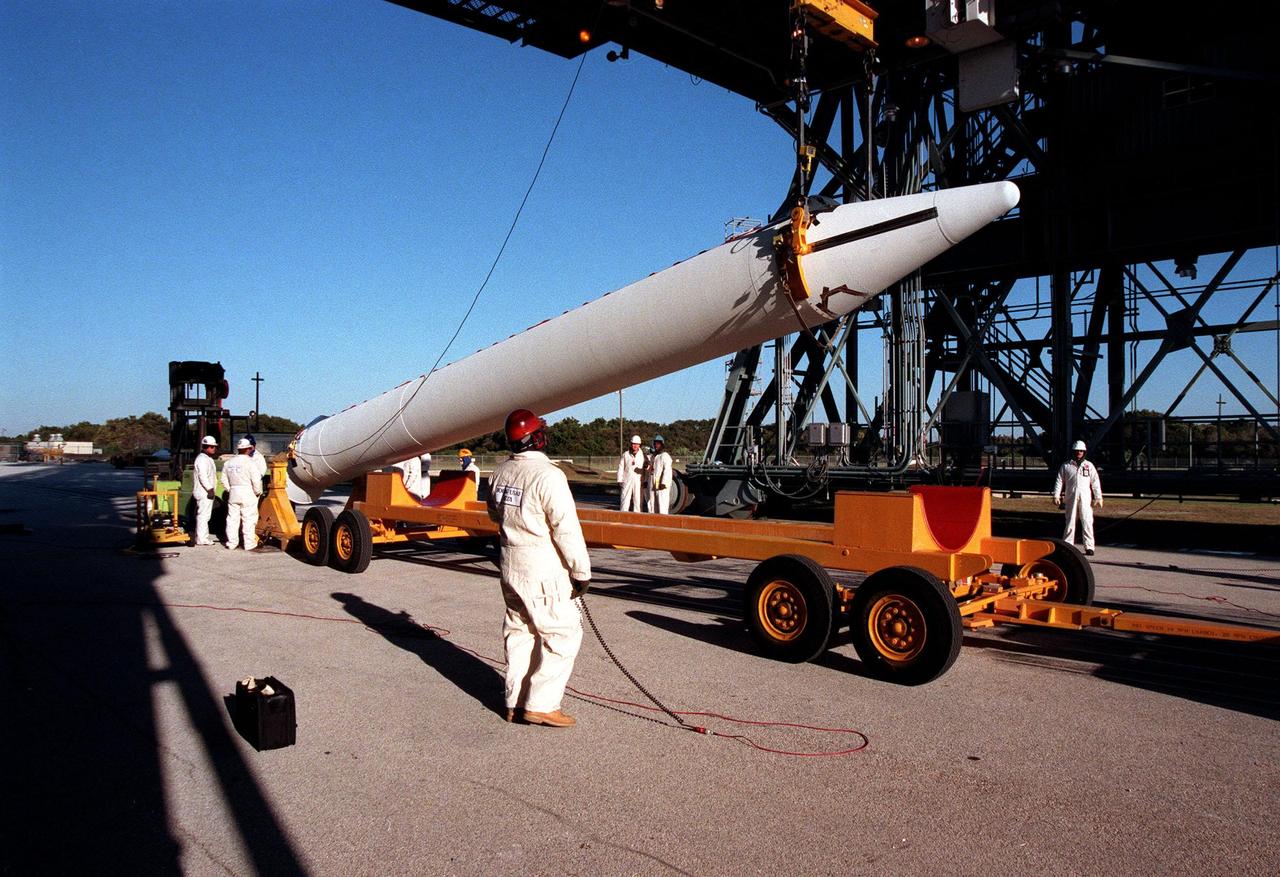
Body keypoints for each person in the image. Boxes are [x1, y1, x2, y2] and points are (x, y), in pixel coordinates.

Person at [486, 408, 591, 728]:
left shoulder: (500, 473)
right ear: (536, 438)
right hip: (541, 568)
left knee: (519, 631)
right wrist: (581, 572)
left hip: (510, 563)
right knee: (562, 634)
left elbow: (493, 514)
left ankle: (515, 703)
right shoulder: (549, 476)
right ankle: (542, 704)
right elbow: (566, 528)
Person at [1052, 439, 1104, 555]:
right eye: (1077, 451)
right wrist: (1056, 495)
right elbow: (1059, 481)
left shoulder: (1089, 466)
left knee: (1087, 521)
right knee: (1070, 521)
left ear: (1084, 452)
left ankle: (1089, 547)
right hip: (1071, 497)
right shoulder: (1066, 466)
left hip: (1085, 498)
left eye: (1081, 451)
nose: (1079, 453)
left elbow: (1095, 482)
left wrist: (1098, 497)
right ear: (1073, 452)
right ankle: (1068, 546)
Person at [221, 438, 263, 550]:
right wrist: (257, 492)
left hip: (234, 493)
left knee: (232, 519)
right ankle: (249, 544)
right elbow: (256, 480)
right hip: (248, 493)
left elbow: (223, 479)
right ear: (248, 449)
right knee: (248, 519)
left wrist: (230, 489)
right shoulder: (251, 463)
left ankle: (231, 543)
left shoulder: (228, 463)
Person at [192, 436, 219, 546]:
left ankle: (203, 537)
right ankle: (202, 539)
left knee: (205, 515)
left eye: (214, 447)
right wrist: (209, 489)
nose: (214, 449)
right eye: (211, 447)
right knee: (203, 515)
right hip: (204, 492)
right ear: (205, 447)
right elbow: (203, 476)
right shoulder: (202, 460)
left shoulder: (207, 459)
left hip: (205, 491)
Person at [616, 434, 646, 512]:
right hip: (627, 480)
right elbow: (621, 467)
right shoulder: (625, 454)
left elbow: (647, 468)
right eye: (633, 444)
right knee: (625, 499)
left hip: (638, 481)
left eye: (637, 444)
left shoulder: (643, 455)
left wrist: (642, 472)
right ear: (631, 444)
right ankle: (623, 515)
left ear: (639, 445)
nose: (635, 446)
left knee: (637, 500)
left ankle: (637, 518)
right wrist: (619, 479)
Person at [648, 435, 674, 514]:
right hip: (654, 483)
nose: (656, 445)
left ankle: (663, 521)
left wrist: (663, 483)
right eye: (655, 443)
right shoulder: (654, 456)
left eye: (658, 444)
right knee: (652, 503)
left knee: (662, 503)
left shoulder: (665, 456)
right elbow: (652, 469)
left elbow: (667, 470)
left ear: (662, 445)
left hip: (662, 485)